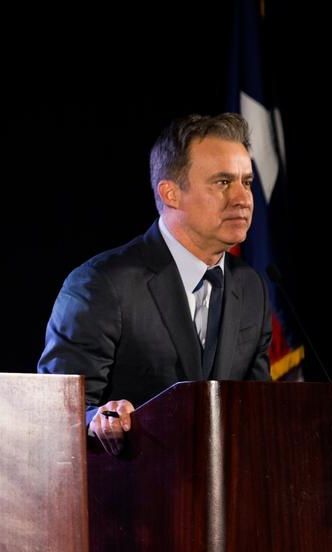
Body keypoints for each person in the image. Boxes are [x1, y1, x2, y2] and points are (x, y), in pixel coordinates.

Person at [38, 113, 271, 454]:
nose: (243, 198)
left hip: (227, 497)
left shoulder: (251, 287)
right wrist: (100, 420)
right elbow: (56, 411)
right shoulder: (102, 284)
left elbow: (262, 410)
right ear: (171, 193)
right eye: (223, 182)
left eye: (247, 182)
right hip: (129, 493)